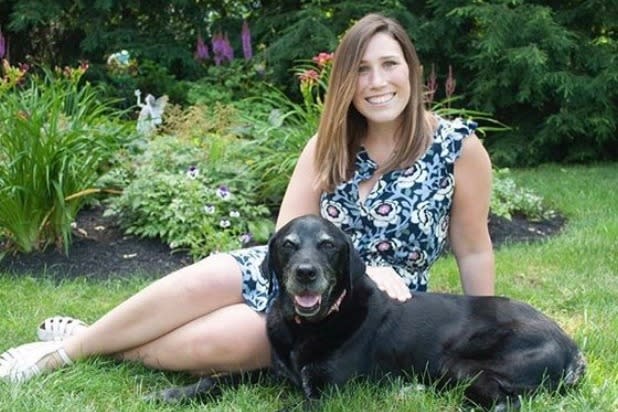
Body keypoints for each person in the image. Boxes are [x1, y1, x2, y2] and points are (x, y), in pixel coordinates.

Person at [0, 13, 494, 384]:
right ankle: (58, 356)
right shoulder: (327, 145)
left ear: (412, 68)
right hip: (295, 272)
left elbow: (473, 248)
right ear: (345, 80)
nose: (377, 82)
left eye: (389, 64)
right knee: (205, 279)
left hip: (369, 304)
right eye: (361, 69)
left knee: (220, 340)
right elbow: (287, 233)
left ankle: (95, 339)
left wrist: (486, 330)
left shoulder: (458, 148)